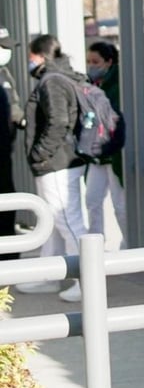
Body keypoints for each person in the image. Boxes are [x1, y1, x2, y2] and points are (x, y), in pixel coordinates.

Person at [15, 34, 89, 300]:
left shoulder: (53, 81)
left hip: (58, 163)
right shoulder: (61, 77)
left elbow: (58, 121)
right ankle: (50, 276)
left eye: (31, 57)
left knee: (68, 222)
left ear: (41, 56)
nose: (29, 62)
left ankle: (86, 281)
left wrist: (40, 154)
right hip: (58, 163)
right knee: (53, 222)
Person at [84, 41, 128, 249]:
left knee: (120, 204)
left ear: (109, 62)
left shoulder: (117, 86)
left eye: (96, 62)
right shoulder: (91, 87)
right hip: (97, 153)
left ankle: (129, 244)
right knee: (92, 199)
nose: (91, 66)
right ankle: (96, 246)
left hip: (112, 153)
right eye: (89, 61)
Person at [0, 27, 24, 261]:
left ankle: (8, 259)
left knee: (7, 205)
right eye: (3, 46)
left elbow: (12, 107)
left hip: (4, 153)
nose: (7, 51)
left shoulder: (5, 73)